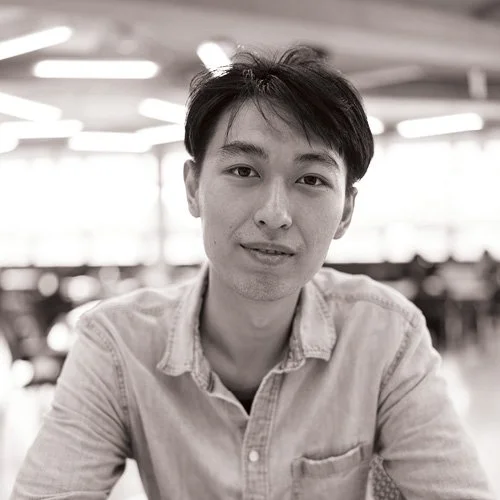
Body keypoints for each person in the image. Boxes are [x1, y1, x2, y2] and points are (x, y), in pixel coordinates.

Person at [11, 46, 494, 500]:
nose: (274, 214)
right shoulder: (117, 345)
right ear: (193, 187)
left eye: (311, 179)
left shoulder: (386, 336)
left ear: (346, 211)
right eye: (244, 171)